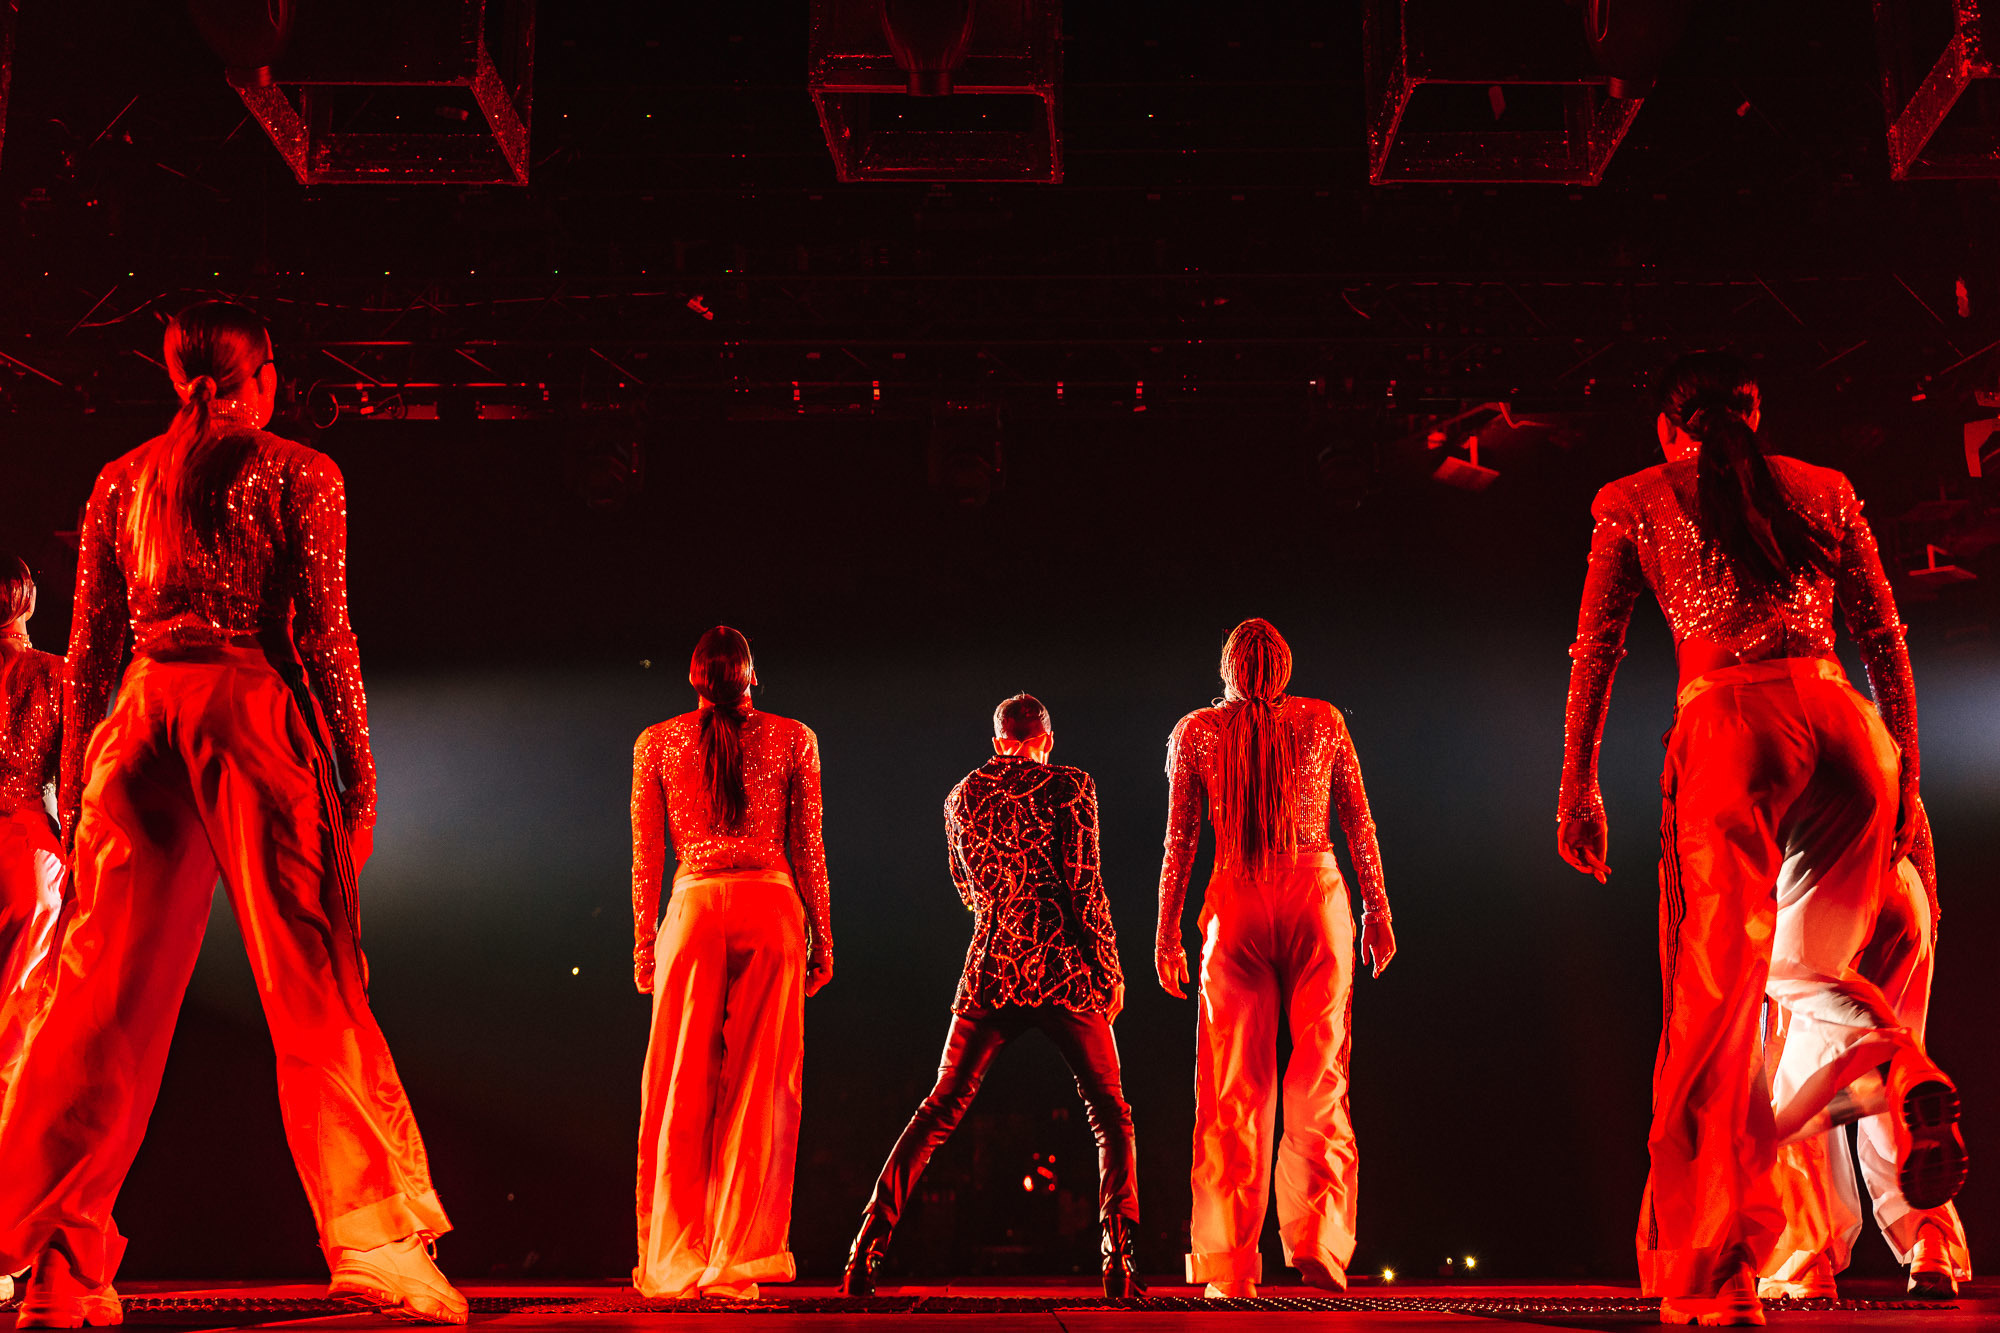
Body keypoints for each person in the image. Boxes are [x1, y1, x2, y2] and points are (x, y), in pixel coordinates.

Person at [0, 301, 463, 1328]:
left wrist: (75, 794)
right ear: (265, 376)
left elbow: (89, 655)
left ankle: (56, 1266)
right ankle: (376, 1241)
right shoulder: (302, 470)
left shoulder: (119, 478)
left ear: (177, 377)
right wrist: (358, 781)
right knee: (314, 982)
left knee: (100, 1000)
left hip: (136, 726)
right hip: (243, 712)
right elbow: (327, 635)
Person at [1556, 349, 1968, 1326]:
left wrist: (1576, 782)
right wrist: (1906, 777)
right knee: (1805, 980)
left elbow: (1597, 647)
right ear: (1755, 408)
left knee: (1721, 1011)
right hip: (1845, 728)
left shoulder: (1632, 497)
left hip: (1729, 726)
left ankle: (1725, 1272)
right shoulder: (1823, 487)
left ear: (1667, 427)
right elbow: (1885, 640)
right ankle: (1898, 1077)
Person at [839, 693, 1140, 1300]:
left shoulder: (961, 796)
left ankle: (865, 1251)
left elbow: (967, 889)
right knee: (1110, 1113)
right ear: (1045, 740)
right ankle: (1119, 1261)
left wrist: (1006, 908)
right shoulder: (1070, 786)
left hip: (994, 965)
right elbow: (1085, 885)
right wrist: (1108, 968)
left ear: (998, 740)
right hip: (1061, 966)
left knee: (938, 1109)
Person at [1155, 618, 1396, 1299]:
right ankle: (1319, 1237)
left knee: (1233, 1086)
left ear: (1228, 666)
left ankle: (1230, 1263)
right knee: (1320, 1071)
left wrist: (1166, 933)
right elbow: (1358, 821)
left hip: (1236, 897)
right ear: (1285, 664)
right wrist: (1378, 910)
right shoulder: (1323, 720)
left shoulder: (1197, 730)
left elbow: (1180, 841)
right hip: (1316, 894)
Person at [631, 625, 835, 1301]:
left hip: (692, 909)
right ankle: (738, 1257)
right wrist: (824, 939)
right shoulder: (795, 737)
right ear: (751, 676)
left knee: (679, 1085)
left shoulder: (656, 741)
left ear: (694, 678)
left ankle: (674, 1256)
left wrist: (644, 945)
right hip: (771, 907)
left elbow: (646, 855)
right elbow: (808, 849)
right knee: (762, 1087)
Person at [1758, 828, 1971, 1302]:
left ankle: (1806, 1258)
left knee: (1796, 1059)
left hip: (1825, 880)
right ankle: (1929, 1240)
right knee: (1880, 1074)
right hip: (1906, 889)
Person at [0, 553, 67, 1308]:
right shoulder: (53, 675)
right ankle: (6, 1243)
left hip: (22, 856)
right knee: (16, 1043)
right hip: (26, 856)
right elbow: (76, 782)